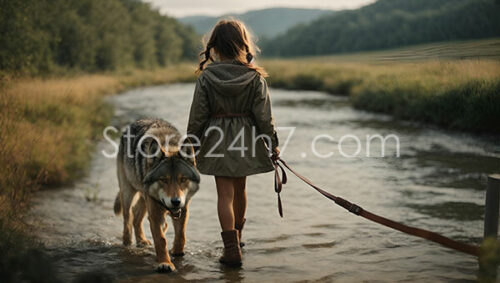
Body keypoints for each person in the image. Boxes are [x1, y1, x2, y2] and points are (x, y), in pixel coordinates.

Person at [187, 19, 280, 267]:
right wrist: (272, 144)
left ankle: (231, 251)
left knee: (224, 195)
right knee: (240, 191)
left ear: (214, 46)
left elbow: (198, 115)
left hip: (217, 138)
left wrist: (191, 145)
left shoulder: (206, 77)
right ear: (242, 44)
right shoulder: (254, 77)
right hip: (245, 139)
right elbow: (264, 116)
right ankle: (238, 241)